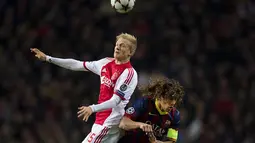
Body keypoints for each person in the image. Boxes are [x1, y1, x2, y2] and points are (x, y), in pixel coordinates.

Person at [31, 33, 138, 143]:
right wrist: (48, 58)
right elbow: (76, 65)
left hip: (111, 121)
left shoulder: (129, 73)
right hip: (100, 120)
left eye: (123, 45)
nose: (118, 47)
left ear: (130, 52)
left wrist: (92, 108)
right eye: (117, 44)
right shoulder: (106, 63)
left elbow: (115, 101)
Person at [117, 77, 184, 143]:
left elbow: (172, 141)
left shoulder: (175, 115)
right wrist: (140, 125)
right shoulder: (145, 103)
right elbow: (123, 123)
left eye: (173, 103)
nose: (171, 105)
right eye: (168, 101)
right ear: (160, 97)